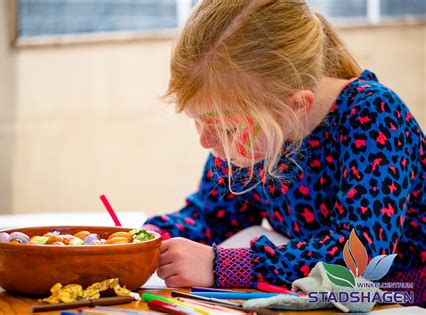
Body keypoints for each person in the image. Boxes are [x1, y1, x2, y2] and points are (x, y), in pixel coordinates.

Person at [142, 0, 425, 306]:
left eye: (226, 128)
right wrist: (147, 239)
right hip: (317, 298)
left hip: (403, 295)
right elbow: (213, 215)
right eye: (199, 120)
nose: (206, 141)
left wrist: (219, 265)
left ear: (295, 107)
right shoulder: (256, 132)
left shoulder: (375, 114)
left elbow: (359, 261)